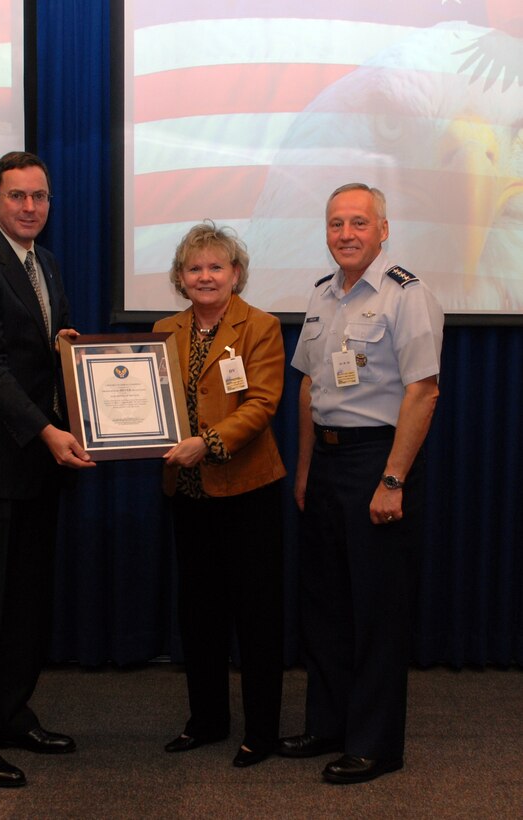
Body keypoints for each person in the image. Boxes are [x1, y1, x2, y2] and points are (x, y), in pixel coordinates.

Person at [0, 151, 95, 788]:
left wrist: (69, 353)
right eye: (18, 197)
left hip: (35, 468)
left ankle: (10, 714)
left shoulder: (44, 263)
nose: (31, 207)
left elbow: (36, 349)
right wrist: (49, 430)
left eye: (41, 197)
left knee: (26, 605)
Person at [279, 183, 443, 784]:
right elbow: (306, 388)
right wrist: (303, 472)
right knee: (324, 606)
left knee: (376, 610)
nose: (345, 234)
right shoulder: (323, 296)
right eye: (335, 224)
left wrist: (393, 479)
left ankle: (376, 744)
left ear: (383, 229)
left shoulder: (407, 295)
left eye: (358, 223)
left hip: (378, 461)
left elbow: (423, 391)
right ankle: (329, 723)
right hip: (325, 464)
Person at [154, 220, 286, 768]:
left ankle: (263, 731)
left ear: (236, 273)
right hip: (187, 494)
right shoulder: (164, 329)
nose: (205, 276)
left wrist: (205, 444)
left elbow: (261, 405)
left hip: (246, 491)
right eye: (194, 268)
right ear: (180, 278)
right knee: (199, 613)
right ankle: (207, 720)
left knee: (255, 615)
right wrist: (72, 353)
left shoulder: (261, 326)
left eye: (216, 266)